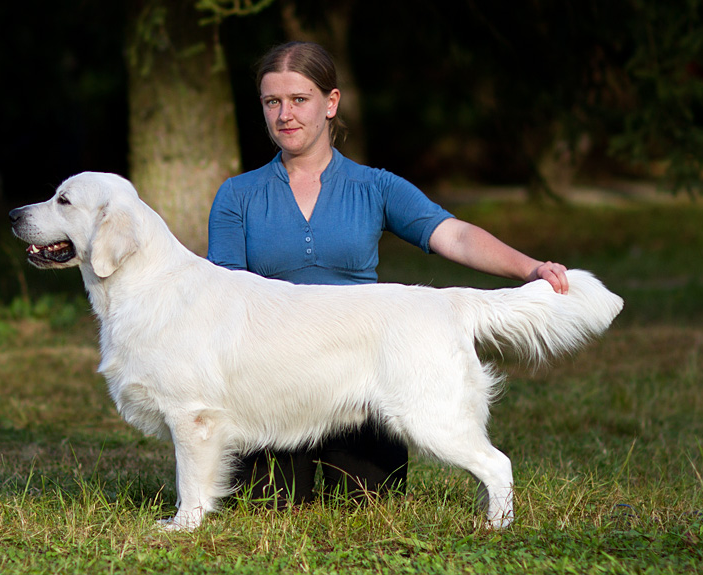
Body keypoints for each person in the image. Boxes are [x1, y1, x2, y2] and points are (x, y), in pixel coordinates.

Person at [207, 41, 568, 506]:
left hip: (364, 377)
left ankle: (496, 496)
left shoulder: (375, 185)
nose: (285, 115)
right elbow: (225, 298)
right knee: (266, 503)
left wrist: (530, 268)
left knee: (365, 501)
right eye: (272, 101)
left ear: (330, 103)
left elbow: (454, 235)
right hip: (272, 387)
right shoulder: (236, 195)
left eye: (299, 99)